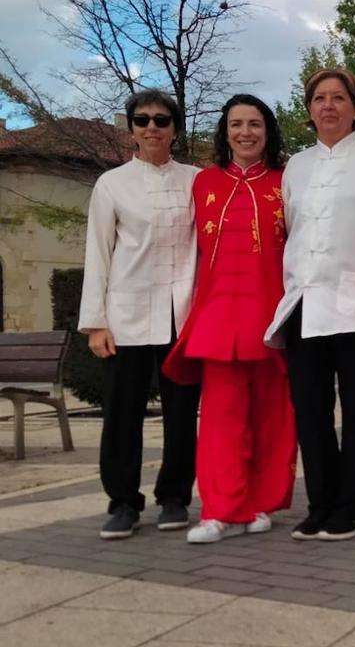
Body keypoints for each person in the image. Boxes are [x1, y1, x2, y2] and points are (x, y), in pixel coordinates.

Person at [264, 67, 355, 542]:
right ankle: (320, 503)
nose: (328, 105)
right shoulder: (296, 168)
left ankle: (354, 507)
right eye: (319, 98)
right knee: (311, 409)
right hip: (304, 302)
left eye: (338, 97)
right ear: (309, 110)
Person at [161, 95, 296, 544]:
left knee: (271, 416)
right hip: (217, 317)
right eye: (236, 124)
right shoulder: (203, 183)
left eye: (254, 124)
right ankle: (218, 510)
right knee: (220, 420)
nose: (245, 132)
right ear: (225, 131)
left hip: (272, 316)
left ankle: (260, 501)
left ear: (268, 130)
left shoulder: (285, 181)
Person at [79, 89, 201, 540]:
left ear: (175, 128)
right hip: (127, 314)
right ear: (130, 128)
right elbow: (99, 254)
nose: (152, 127)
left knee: (182, 413)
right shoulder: (112, 184)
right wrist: (96, 323)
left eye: (162, 120)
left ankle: (174, 497)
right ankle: (123, 502)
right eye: (143, 119)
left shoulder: (197, 180)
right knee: (122, 414)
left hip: (181, 314)